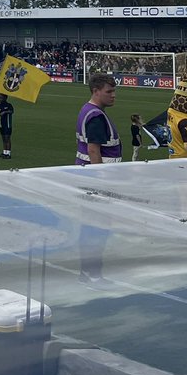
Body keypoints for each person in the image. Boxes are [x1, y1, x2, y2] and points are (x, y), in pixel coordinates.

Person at [76, 73, 122, 287]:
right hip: (96, 181)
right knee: (96, 228)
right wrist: (100, 183)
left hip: (90, 178)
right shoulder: (96, 116)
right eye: (109, 92)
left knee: (93, 227)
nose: (113, 96)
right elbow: (94, 151)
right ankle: (92, 274)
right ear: (96, 91)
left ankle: (90, 272)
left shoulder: (90, 112)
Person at [0, 92, 14, 159]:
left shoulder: (9, 105)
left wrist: (5, 112)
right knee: (3, 139)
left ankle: (8, 154)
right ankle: (4, 152)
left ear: (5, 98)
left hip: (8, 125)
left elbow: (11, 111)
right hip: (2, 125)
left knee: (7, 138)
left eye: (1, 97)